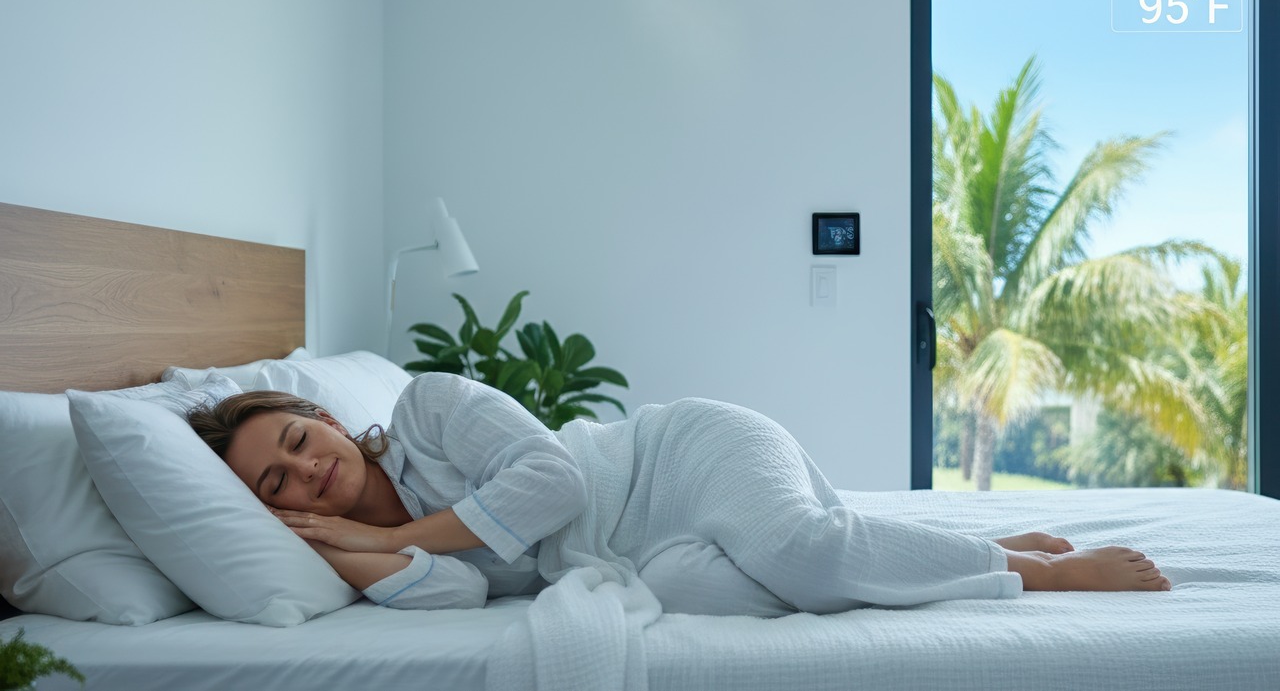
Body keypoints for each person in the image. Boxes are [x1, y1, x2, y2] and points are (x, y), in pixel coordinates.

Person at [187, 373, 1171, 616]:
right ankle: (983, 543)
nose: (308, 469)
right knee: (748, 600)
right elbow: (461, 594)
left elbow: (555, 477)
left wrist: (417, 535)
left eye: (299, 439)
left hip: (676, 458)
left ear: (320, 416)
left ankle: (1036, 571)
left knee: (800, 553)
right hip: (633, 561)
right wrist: (330, 546)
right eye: (279, 484)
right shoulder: (354, 535)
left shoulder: (429, 408)